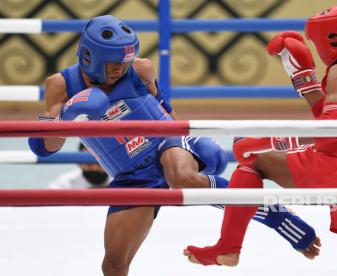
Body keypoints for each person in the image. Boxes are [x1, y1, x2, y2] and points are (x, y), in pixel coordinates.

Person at [27, 15, 318, 276]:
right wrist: (67, 115)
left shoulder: (140, 69)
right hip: (132, 176)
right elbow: (43, 148)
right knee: (114, 264)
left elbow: (167, 111)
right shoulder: (61, 86)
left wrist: (190, 144)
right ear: (90, 57)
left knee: (181, 177)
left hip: (166, 145)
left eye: (124, 64)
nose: (119, 71)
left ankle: (276, 215)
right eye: (113, 65)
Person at [184, 4, 337, 276]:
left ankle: (228, 246)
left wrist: (270, 141)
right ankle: (227, 248)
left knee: (255, 160)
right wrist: (304, 80)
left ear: (333, 38)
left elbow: (331, 129)